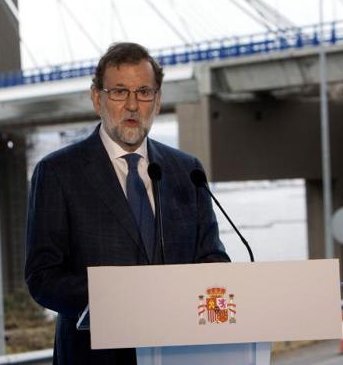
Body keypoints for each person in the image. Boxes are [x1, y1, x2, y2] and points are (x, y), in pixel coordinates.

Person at [25, 42, 229, 365]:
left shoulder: (186, 170)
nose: (133, 105)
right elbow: (42, 276)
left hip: (180, 354)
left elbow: (212, 257)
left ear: (158, 101)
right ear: (98, 99)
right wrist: (115, 297)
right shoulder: (58, 173)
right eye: (119, 92)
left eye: (144, 92)